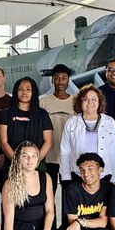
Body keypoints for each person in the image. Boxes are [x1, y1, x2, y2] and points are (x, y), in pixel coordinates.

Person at [2, 141, 56, 230]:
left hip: (40, 228)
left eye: (33, 156)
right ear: (18, 158)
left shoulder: (46, 178)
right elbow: (8, 219)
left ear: (38, 158)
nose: (30, 160)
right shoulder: (10, 184)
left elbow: (50, 211)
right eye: (25, 156)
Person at [59, 84, 115, 185]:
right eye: (85, 99)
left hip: (104, 175)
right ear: (80, 102)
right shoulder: (71, 122)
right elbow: (65, 151)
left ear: (99, 102)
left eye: (94, 99)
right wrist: (65, 177)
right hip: (78, 174)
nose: (90, 102)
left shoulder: (109, 121)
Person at [0, 77, 53, 170]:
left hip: (37, 166)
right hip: (12, 165)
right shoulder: (6, 113)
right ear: (15, 92)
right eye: (20, 89)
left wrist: (34, 162)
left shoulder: (42, 114)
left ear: (34, 92)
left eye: (28, 89)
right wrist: (16, 162)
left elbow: (48, 141)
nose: (24, 92)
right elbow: (3, 141)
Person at [39, 63, 77, 193]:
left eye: (64, 78)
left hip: (69, 158)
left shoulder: (76, 102)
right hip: (49, 157)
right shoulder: (43, 102)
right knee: (49, 192)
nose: (60, 82)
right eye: (57, 78)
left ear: (68, 80)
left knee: (69, 193)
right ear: (52, 80)